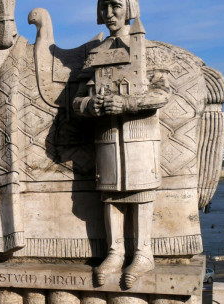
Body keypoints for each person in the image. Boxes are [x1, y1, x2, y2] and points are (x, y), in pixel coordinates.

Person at [73, 0, 170, 287]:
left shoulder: (148, 49)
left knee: (141, 192)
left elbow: (162, 94)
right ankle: (115, 252)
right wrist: (90, 105)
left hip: (140, 137)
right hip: (106, 139)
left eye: (115, 5)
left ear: (129, 8)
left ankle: (143, 253)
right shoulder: (96, 53)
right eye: (103, 7)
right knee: (110, 193)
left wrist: (126, 103)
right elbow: (76, 100)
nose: (109, 13)